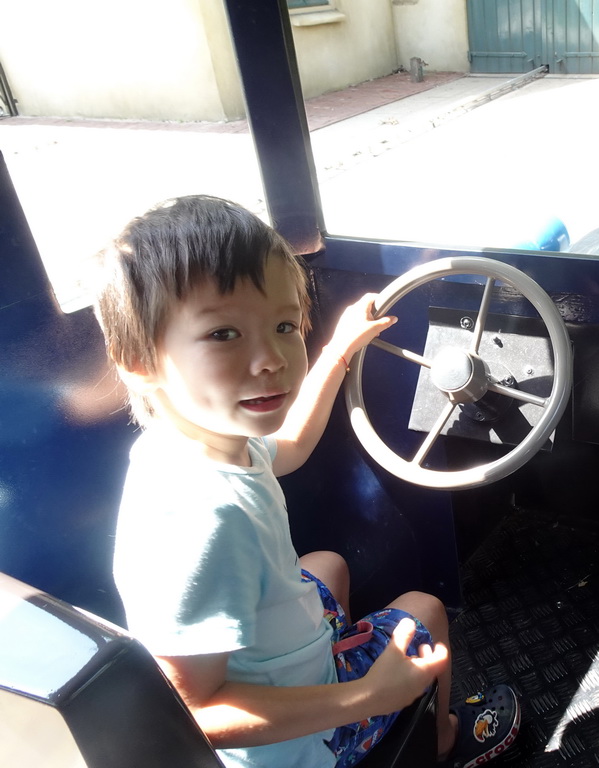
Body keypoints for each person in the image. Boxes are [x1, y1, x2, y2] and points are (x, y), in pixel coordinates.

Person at [91, 195, 519, 768]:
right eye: (223, 334)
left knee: (327, 565)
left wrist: (338, 352)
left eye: (285, 324)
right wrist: (372, 694)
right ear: (138, 360)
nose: (270, 358)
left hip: (280, 657)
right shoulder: (210, 516)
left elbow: (287, 448)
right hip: (296, 746)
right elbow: (191, 712)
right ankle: (440, 738)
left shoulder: (191, 446)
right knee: (426, 609)